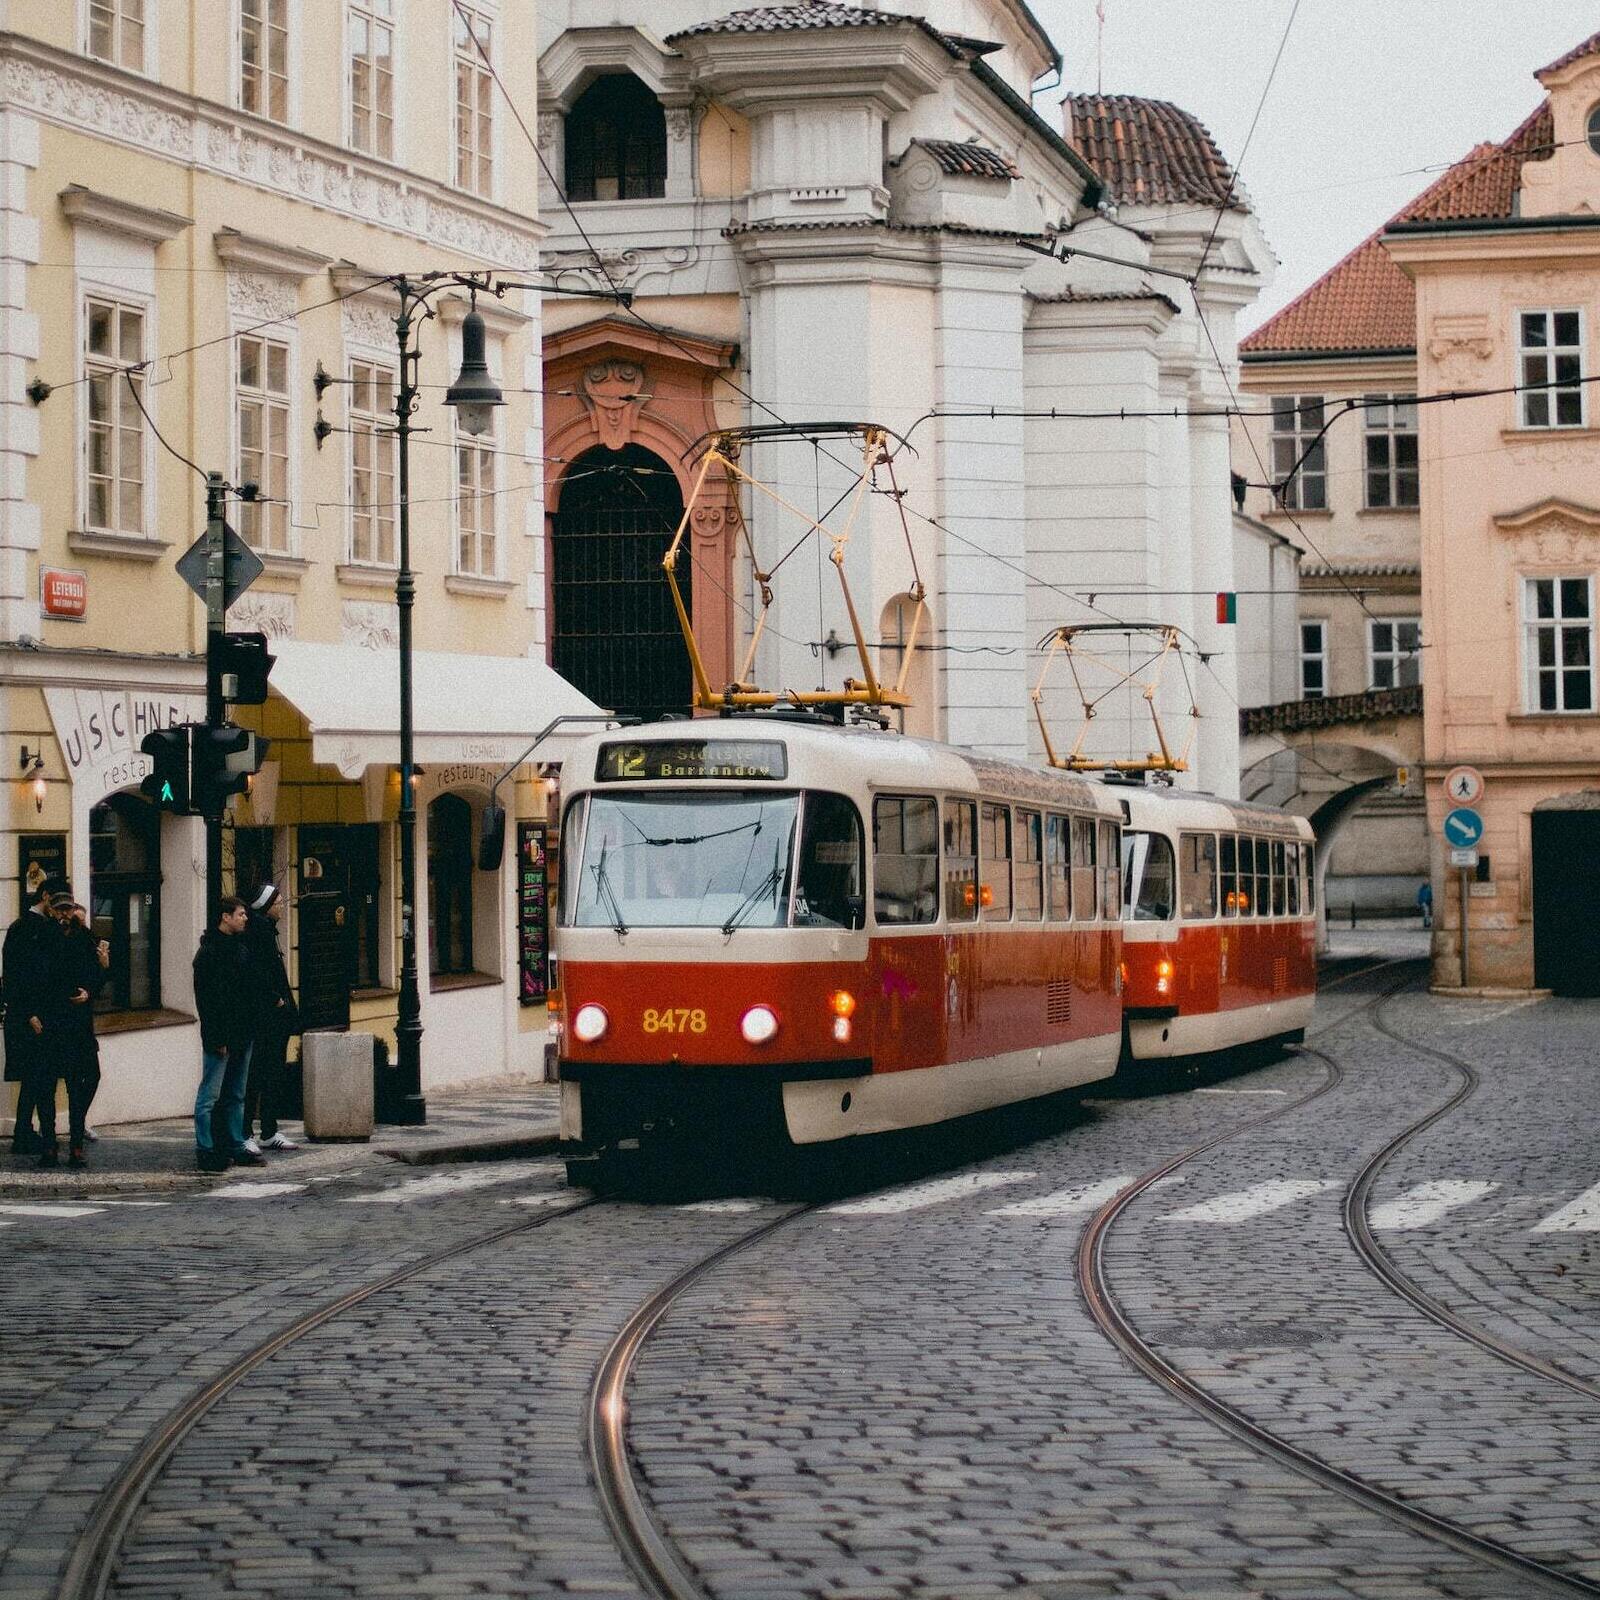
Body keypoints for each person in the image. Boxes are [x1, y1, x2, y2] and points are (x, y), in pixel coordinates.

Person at [192, 896, 266, 1173]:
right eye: (241, 914)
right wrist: (215, 1037)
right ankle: (206, 1148)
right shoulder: (209, 952)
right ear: (225, 916)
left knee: (236, 1093)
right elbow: (207, 1001)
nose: (245, 918)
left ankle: (235, 1143)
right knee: (209, 1095)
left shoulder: (241, 947)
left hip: (243, 1031)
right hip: (221, 1034)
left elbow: (248, 990)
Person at [3, 876, 64, 1161]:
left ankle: (24, 1132)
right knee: (38, 1075)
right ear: (46, 896)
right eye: (57, 901)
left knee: (32, 1077)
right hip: (29, 1016)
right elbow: (18, 976)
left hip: (34, 1014)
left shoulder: (35, 926)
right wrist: (29, 1013)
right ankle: (29, 1133)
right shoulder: (27, 928)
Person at [49, 899, 108, 1170]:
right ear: (52, 909)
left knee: (87, 1078)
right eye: (60, 909)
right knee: (47, 1085)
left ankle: (76, 1140)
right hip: (53, 1021)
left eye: (69, 909)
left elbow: (97, 976)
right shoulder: (46, 937)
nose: (66, 914)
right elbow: (42, 978)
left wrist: (90, 989)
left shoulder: (85, 938)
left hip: (80, 1025)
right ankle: (53, 1144)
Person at [242, 884, 299, 1154]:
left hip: (274, 1015)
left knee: (269, 1074)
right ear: (266, 906)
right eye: (277, 902)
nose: (281, 906)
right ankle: (248, 1131)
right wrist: (276, 999)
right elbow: (259, 973)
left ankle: (268, 1130)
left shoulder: (266, 931)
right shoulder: (260, 932)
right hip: (266, 1017)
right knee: (258, 1074)